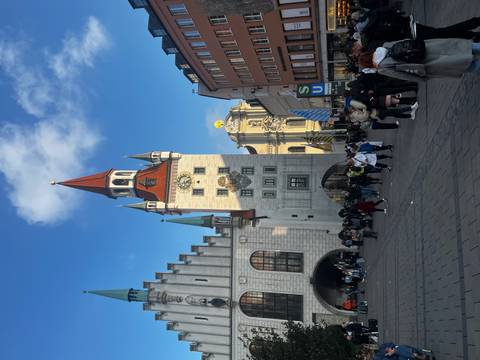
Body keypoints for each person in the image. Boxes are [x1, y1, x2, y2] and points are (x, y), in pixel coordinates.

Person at [370, 39, 480, 81]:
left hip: (424, 63)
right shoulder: (385, 45)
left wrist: (422, 78)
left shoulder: (382, 68)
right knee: (458, 46)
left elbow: (403, 75)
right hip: (426, 47)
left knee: (458, 64)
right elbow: (407, 40)